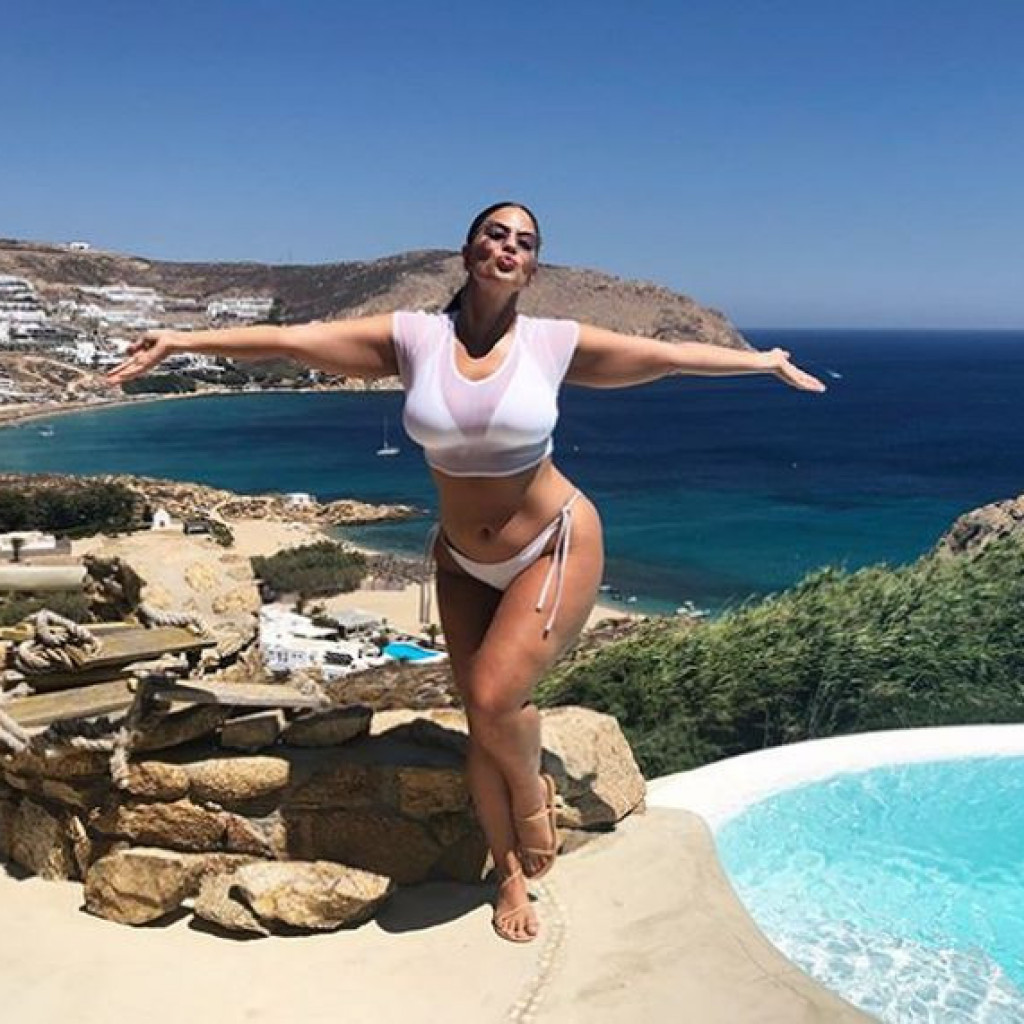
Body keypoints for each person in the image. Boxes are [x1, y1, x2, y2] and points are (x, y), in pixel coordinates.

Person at [106, 202, 825, 943]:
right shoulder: (414, 338)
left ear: (532, 267)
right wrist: (182, 339)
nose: (508, 247)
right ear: (470, 250)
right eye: (495, 234)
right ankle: (509, 875)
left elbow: (665, 356)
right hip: (459, 555)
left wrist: (762, 362)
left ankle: (531, 796)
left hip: (553, 541)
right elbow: (296, 340)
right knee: (481, 716)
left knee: (492, 694)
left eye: (524, 242)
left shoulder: (551, 343)